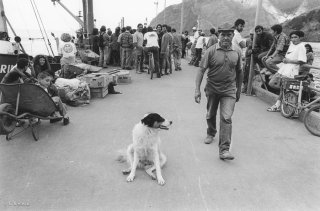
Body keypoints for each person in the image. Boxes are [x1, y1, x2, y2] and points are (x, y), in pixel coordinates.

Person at [194, 23, 243, 161]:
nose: (226, 37)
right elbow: (201, 70)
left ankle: (224, 149)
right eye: (223, 35)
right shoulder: (211, 51)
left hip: (229, 90)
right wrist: (197, 90)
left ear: (233, 35)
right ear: (219, 36)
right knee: (210, 114)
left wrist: (239, 89)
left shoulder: (237, 51)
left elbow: (240, 71)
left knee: (226, 118)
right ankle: (211, 132)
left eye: (229, 35)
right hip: (212, 88)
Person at [267, 30, 307, 112]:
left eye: (295, 37)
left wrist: (289, 61)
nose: (293, 39)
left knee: (283, 88)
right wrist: (285, 60)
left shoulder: (301, 47)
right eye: (292, 37)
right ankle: (287, 95)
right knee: (271, 83)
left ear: (300, 38)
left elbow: (302, 61)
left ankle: (277, 104)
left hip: (291, 71)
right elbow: (287, 56)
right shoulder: (291, 45)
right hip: (283, 69)